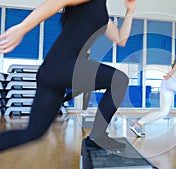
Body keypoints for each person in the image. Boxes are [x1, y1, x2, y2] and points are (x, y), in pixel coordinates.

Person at [0, 0, 136, 151]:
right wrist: (22, 28)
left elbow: (121, 39)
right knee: (119, 80)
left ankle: (98, 137)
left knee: (32, 133)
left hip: (53, 71)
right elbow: (57, 1)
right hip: (63, 66)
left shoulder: (103, 13)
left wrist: (129, 12)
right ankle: (98, 137)